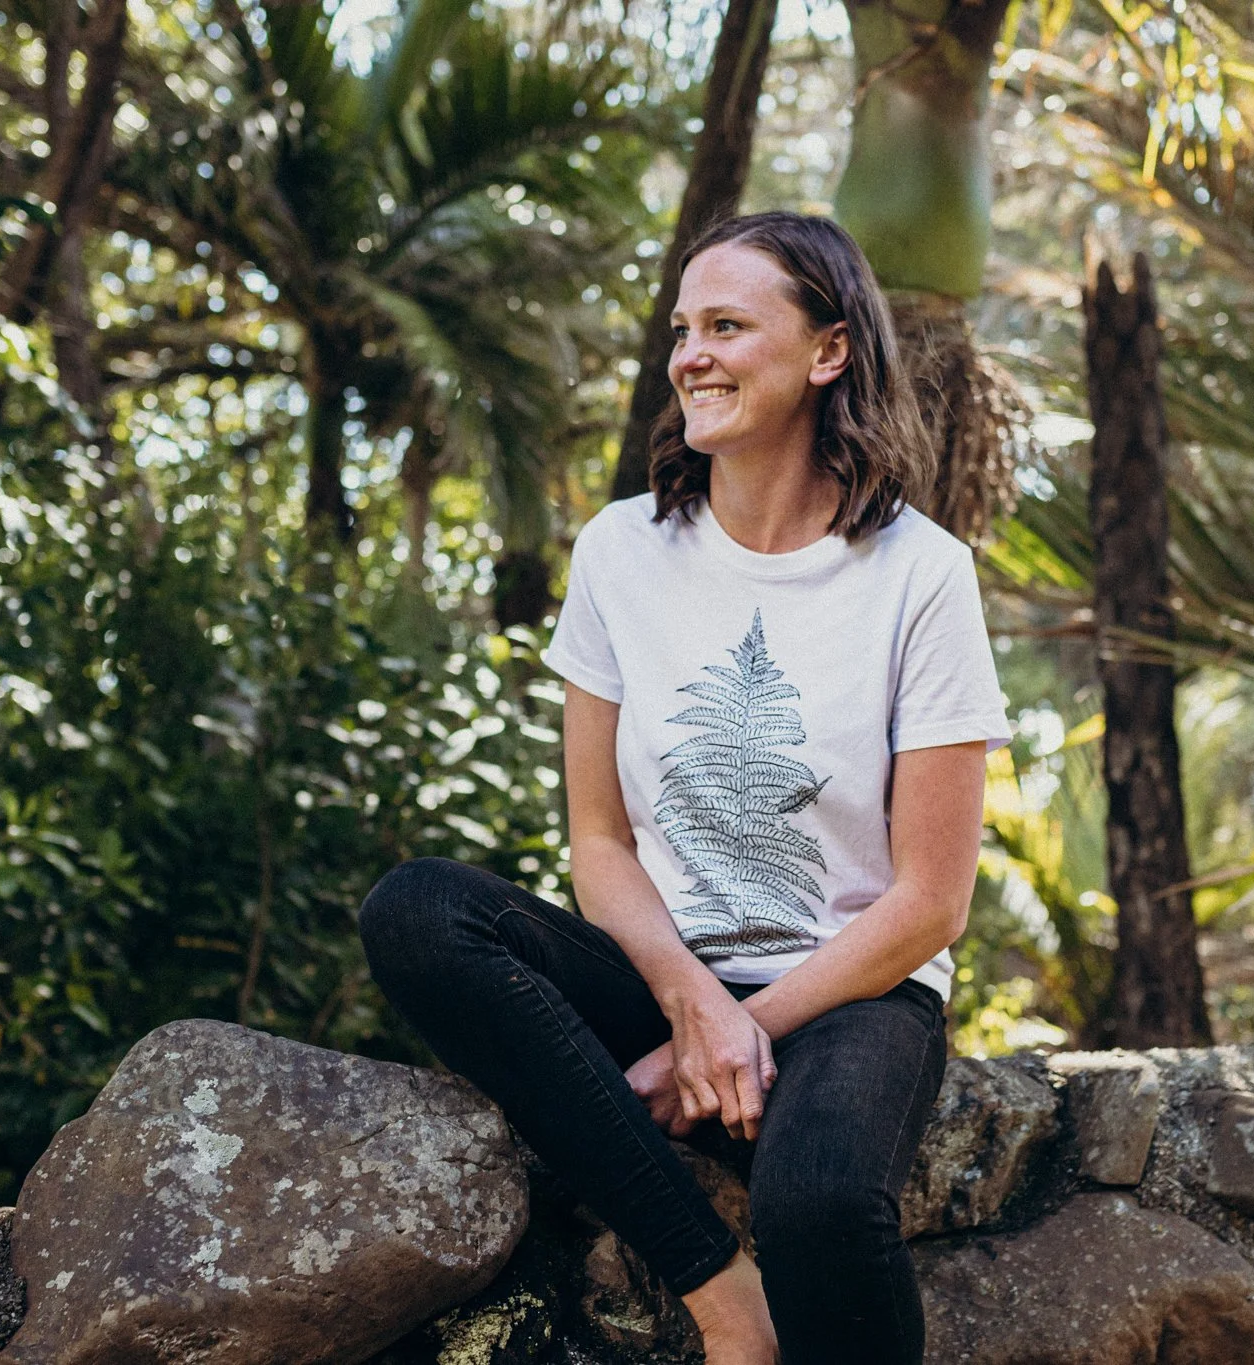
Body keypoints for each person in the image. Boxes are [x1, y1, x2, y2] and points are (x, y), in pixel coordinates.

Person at [357, 210, 1012, 1365]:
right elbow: (599, 844)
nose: (689, 355)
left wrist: (740, 1029)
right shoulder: (622, 551)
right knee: (417, 911)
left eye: (725, 325)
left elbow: (929, 904)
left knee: (817, 1207)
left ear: (827, 352)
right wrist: (688, 1005)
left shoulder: (922, 576)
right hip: (660, 972)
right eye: (681, 329)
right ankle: (723, 1298)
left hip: (852, 992)